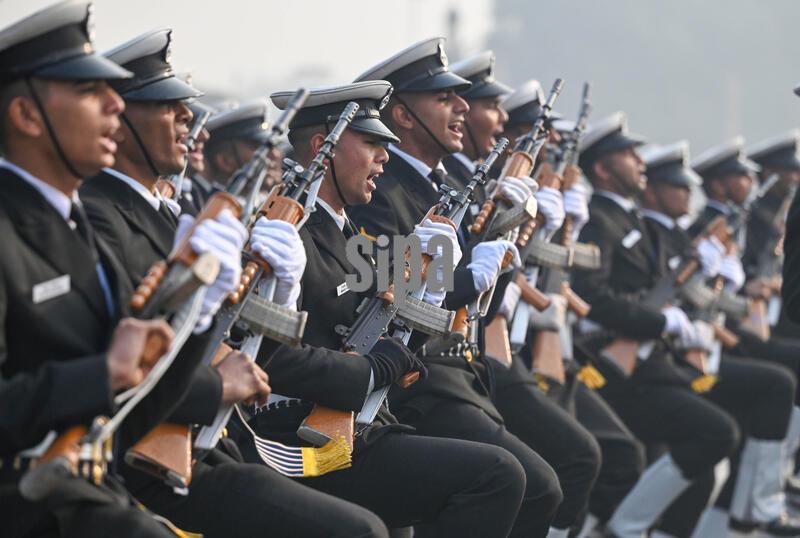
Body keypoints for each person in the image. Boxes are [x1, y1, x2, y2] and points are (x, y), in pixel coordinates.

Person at [80, 28, 389, 538]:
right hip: (241, 426)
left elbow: (381, 307)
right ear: (322, 148)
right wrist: (370, 372)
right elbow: (154, 349)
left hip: (255, 423)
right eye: (373, 143)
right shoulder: (110, 217)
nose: (188, 120)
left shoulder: (355, 225)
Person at [349, 37, 566, 537]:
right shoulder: (381, 194)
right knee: (534, 485)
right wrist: (473, 273)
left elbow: (479, 314)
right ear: (403, 116)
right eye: (445, 99)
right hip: (419, 382)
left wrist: (511, 235)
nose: (462, 107)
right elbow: (391, 297)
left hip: (459, 372)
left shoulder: (438, 186)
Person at [571, 112, 740, 538]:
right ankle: (623, 529)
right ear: (603, 169)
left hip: (652, 362)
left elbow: (658, 286)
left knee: (699, 470)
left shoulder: (633, 222)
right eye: (627, 154)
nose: (639, 160)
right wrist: (658, 319)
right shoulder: (598, 219)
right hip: (616, 367)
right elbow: (592, 294)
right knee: (716, 433)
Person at [639, 140, 799, 537]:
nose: (749, 181)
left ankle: (753, 509)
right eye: (740, 176)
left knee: (726, 444)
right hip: (662, 356)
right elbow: (651, 299)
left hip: (701, 344)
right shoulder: (681, 231)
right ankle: (762, 502)